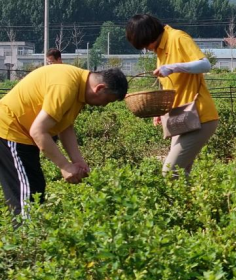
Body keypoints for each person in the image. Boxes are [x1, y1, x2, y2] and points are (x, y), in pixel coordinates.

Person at [0, 65, 127, 217]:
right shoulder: (66, 87)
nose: (103, 105)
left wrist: (78, 161)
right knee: (26, 195)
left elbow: (65, 126)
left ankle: (30, 229)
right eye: (106, 100)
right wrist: (65, 166)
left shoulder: (79, 87)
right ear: (99, 88)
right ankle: (25, 231)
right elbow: (38, 131)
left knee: (35, 186)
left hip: (23, 134)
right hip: (10, 129)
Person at [125, 14, 219, 175]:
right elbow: (170, 84)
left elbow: (205, 65)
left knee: (170, 172)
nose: (147, 49)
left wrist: (173, 67)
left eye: (145, 44)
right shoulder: (159, 50)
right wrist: (161, 110)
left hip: (199, 116)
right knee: (180, 176)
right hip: (181, 119)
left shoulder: (177, 37)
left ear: (150, 34)